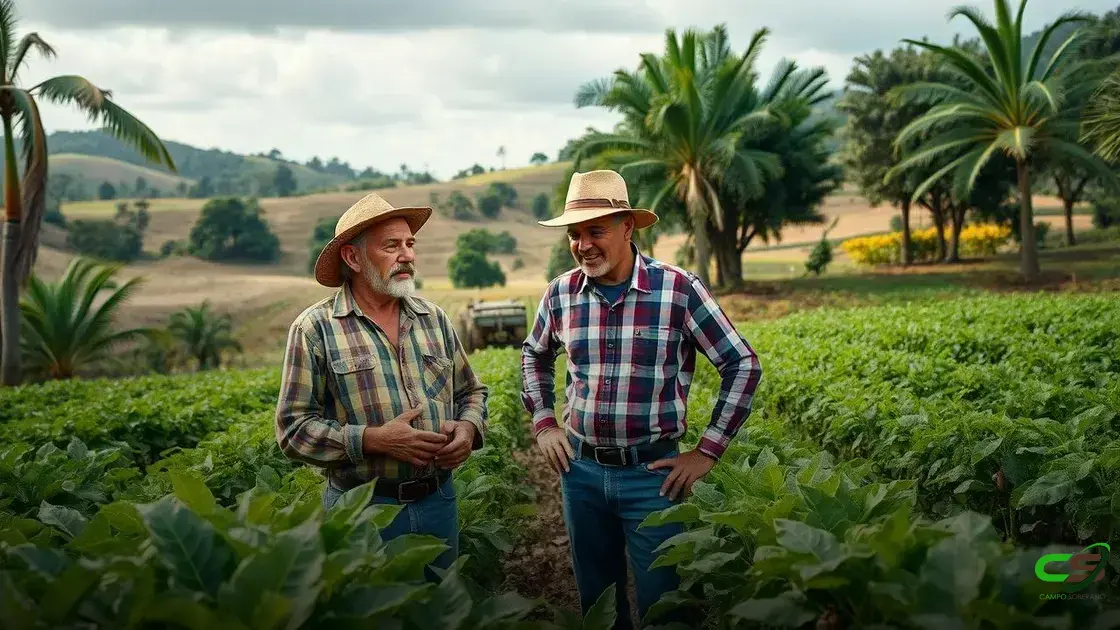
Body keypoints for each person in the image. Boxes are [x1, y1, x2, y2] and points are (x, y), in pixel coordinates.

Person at [520, 170, 763, 629]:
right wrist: (545, 422)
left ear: (628, 227)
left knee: (667, 603)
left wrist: (707, 451)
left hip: (654, 477)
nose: (583, 244)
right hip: (581, 473)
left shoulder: (678, 289)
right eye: (574, 234)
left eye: (596, 231)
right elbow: (534, 355)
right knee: (599, 605)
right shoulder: (561, 293)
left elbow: (742, 364)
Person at [274, 191, 487, 580]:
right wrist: (373, 440)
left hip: (440, 499)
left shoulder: (433, 319)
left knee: (442, 612)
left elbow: (470, 392)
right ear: (353, 258)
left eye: (410, 244)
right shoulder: (316, 329)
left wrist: (468, 428)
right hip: (362, 508)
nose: (407, 255)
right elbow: (292, 430)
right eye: (392, 246)